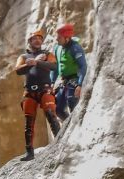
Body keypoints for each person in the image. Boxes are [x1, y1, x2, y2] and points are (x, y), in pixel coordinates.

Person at [14, 29, 61, 162]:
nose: (38, 40)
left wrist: (37, 62)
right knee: (29, 123)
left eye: (40, 38)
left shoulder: (47, 54)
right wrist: (30, 63)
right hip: (29, 92)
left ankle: (60, 145)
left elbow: (53, 66)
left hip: (45, 90)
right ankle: (29, 152)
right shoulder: (23, 57)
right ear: (30, 41)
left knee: (51, 115)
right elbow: (17, 70)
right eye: (35, 39)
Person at [51, 23, 87, 121]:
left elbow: (83, 66)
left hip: (75, 79)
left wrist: (79, 85)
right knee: (58, 108)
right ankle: (69, 126)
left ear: (67, 38)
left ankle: (76, 124)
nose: (56, 39)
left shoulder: (75, 48)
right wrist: (52, 82)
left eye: (59, 37)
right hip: (64, 81)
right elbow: (56, 67)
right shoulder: (57, 48)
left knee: (72, 102)